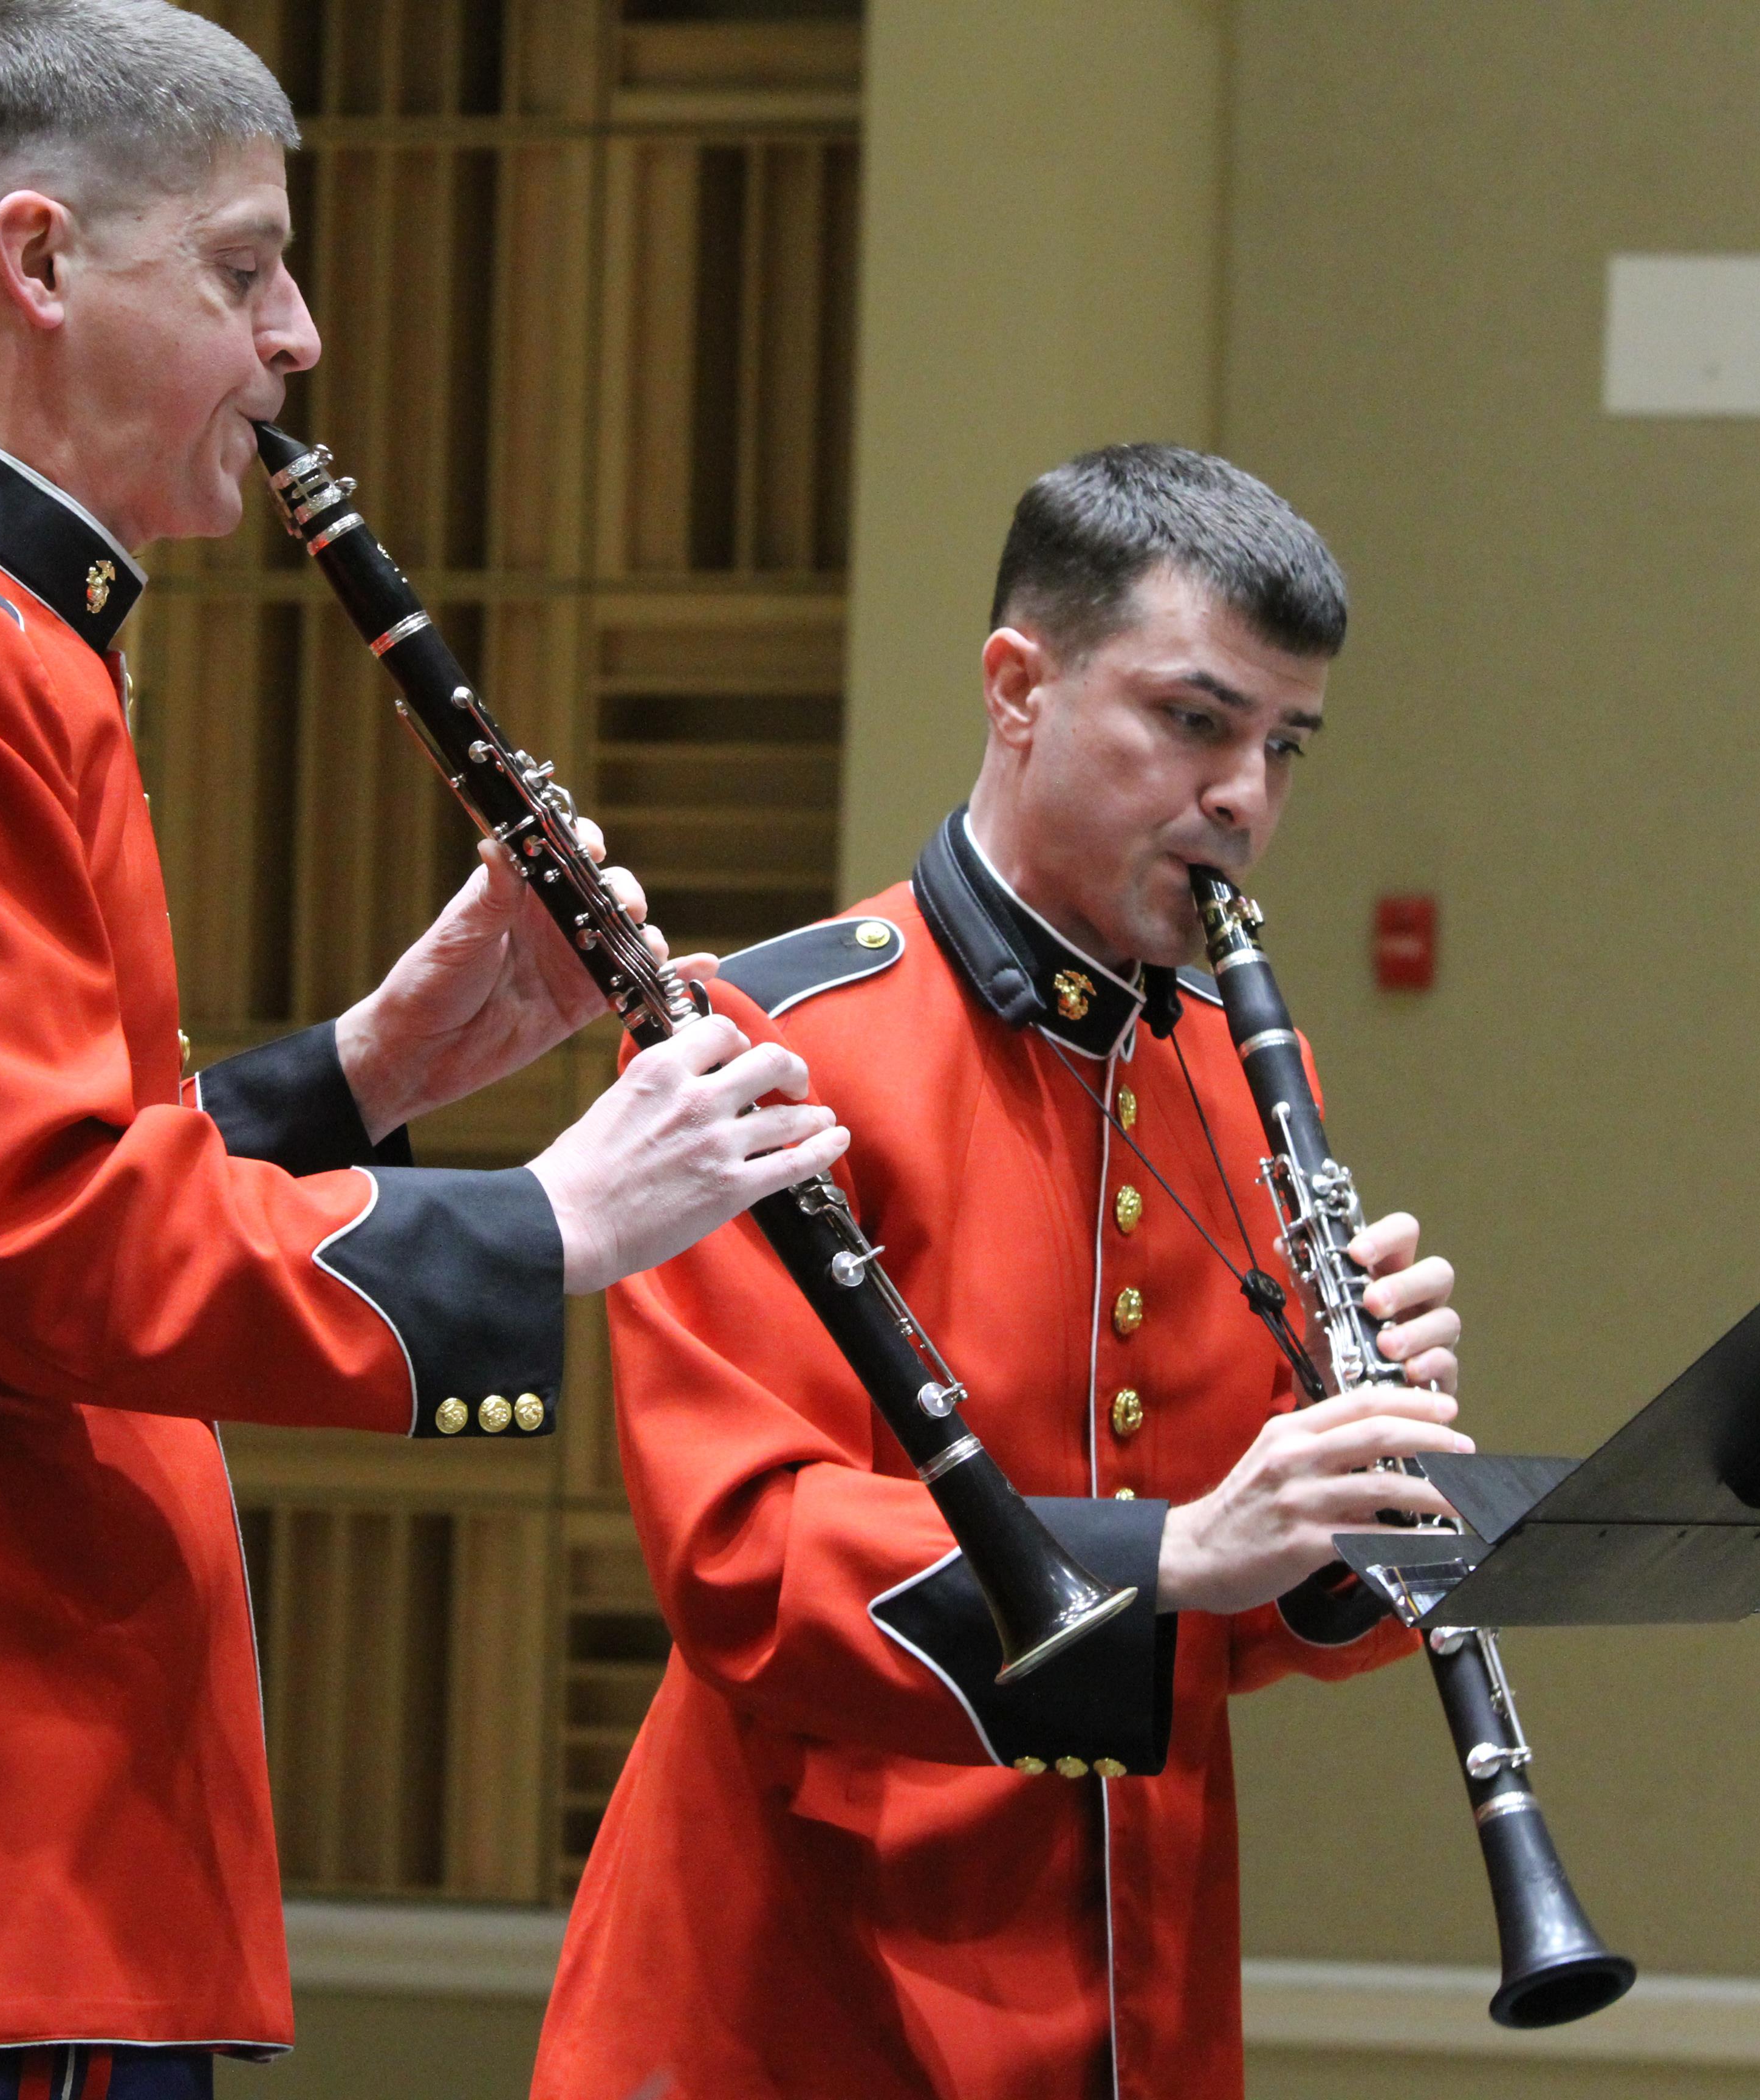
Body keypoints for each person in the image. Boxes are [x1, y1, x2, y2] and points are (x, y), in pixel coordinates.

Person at [0, 4, 847, 2095]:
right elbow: (43, 1239)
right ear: (41, 265)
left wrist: (372, 1068)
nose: (304, 332)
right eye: (243, 269)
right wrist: (547, 1222)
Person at [533, 445, 1471, 2100]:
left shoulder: (1246, 1080)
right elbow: (744, 1560)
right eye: (1195, 722)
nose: (1246, 797)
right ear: (1017, 688)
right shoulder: (764, 1050)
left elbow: (1239, 1616)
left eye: (1283, 745)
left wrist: (1351, 1485)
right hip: (793, 2008)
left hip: (1135, 1998)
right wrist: (1177, 1549)